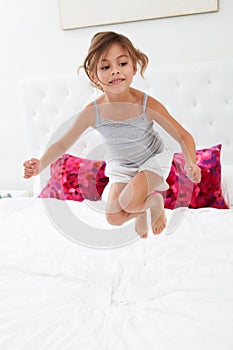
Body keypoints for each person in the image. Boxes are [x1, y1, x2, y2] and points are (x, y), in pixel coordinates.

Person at [23, 31, 201, 239]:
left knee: (128, 201)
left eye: (122, 64)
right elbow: (62, 144)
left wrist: (192, 163)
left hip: (152, 159)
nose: (115, 72)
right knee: (114, 217)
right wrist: (40, 164)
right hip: (122, 165)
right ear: (94, 75)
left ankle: (154, 201)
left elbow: (183, 136)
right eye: (106, 67)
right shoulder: (93, 112)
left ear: (134, 67)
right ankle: (142, 210)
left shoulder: (145, 104)